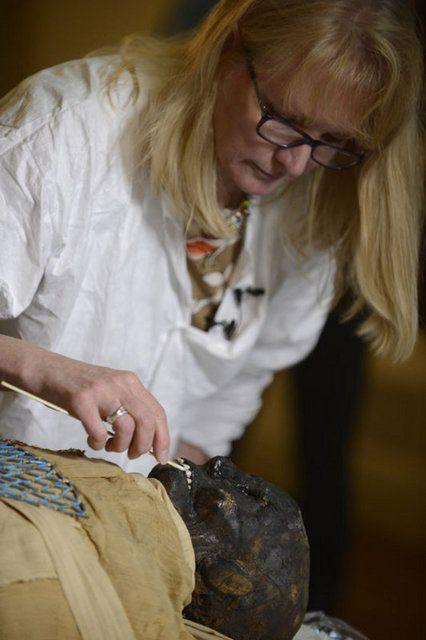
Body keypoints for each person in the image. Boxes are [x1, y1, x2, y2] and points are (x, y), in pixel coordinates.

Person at [0, 1, 423, 477]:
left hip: (118, 502)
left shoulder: (315, 196)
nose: (295, 165)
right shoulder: (64, 129)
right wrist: (47, 369)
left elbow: (239, 381)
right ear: (229, 45)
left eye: (331, 139)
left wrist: (177, 484)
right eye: (284, 118)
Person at [0, 439, 369, 640]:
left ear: (227, 578)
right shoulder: (117, 492)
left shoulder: (119, 611)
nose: (221, 464)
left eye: (249, 497)